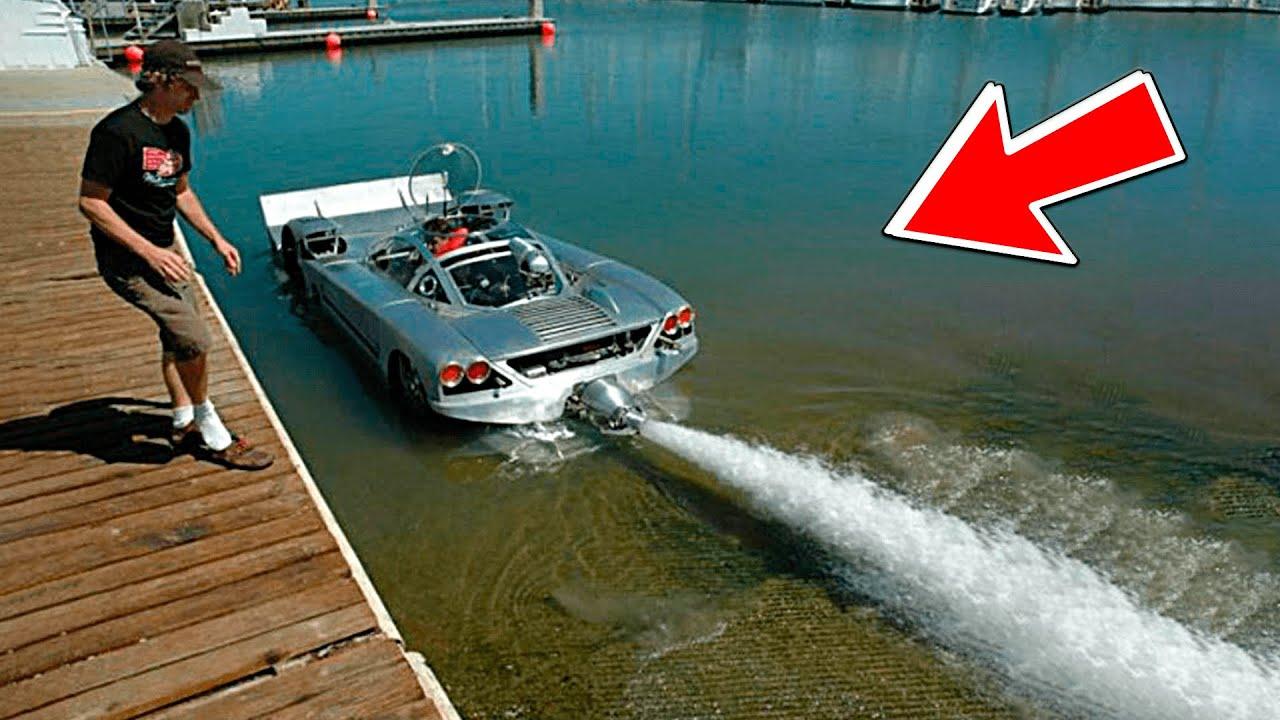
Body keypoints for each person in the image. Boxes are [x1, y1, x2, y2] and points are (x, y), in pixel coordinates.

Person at [78, 40, 273, 471]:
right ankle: (212, 431)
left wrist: (216, 239)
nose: (196, 96)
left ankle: (183, 420)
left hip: (165, 251)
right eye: (189, 87)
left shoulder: (177, 132)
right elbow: (91, 202)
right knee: (194, 338)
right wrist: (149, 252)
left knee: (177, 338)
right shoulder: (117, 133)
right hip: (128, 260)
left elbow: (181, 192)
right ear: (161, 82)